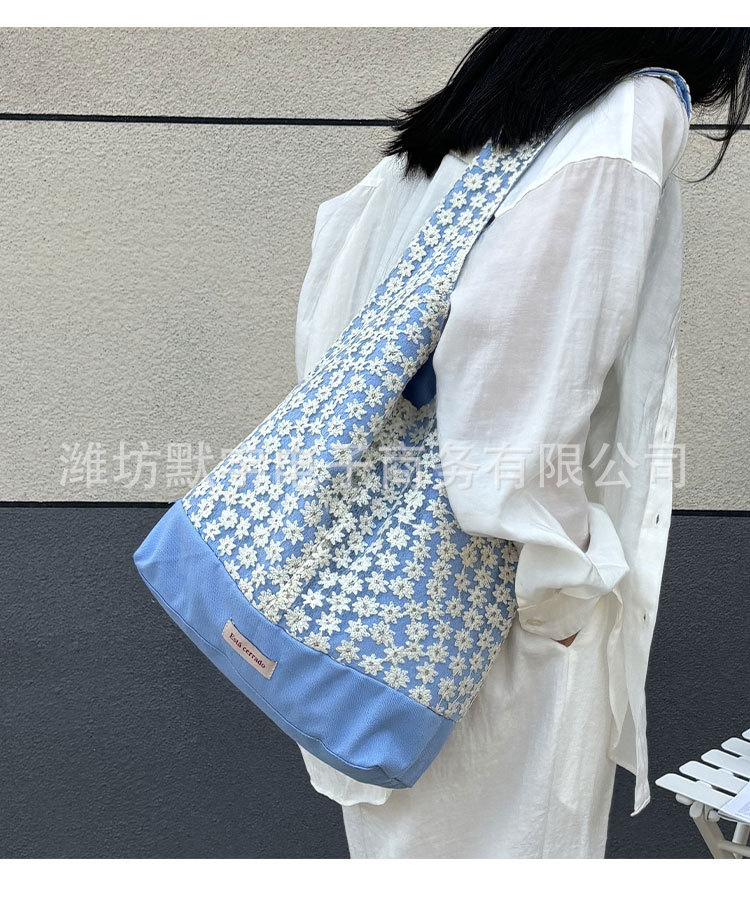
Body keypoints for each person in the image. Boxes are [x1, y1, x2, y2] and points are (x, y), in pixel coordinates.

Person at [293, 28, 750, 858]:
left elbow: (337, 321)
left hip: (385, 602)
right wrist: (564, 599)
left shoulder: (475, 123)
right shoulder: (626, 112)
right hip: (501, 613)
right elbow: (516, 403)